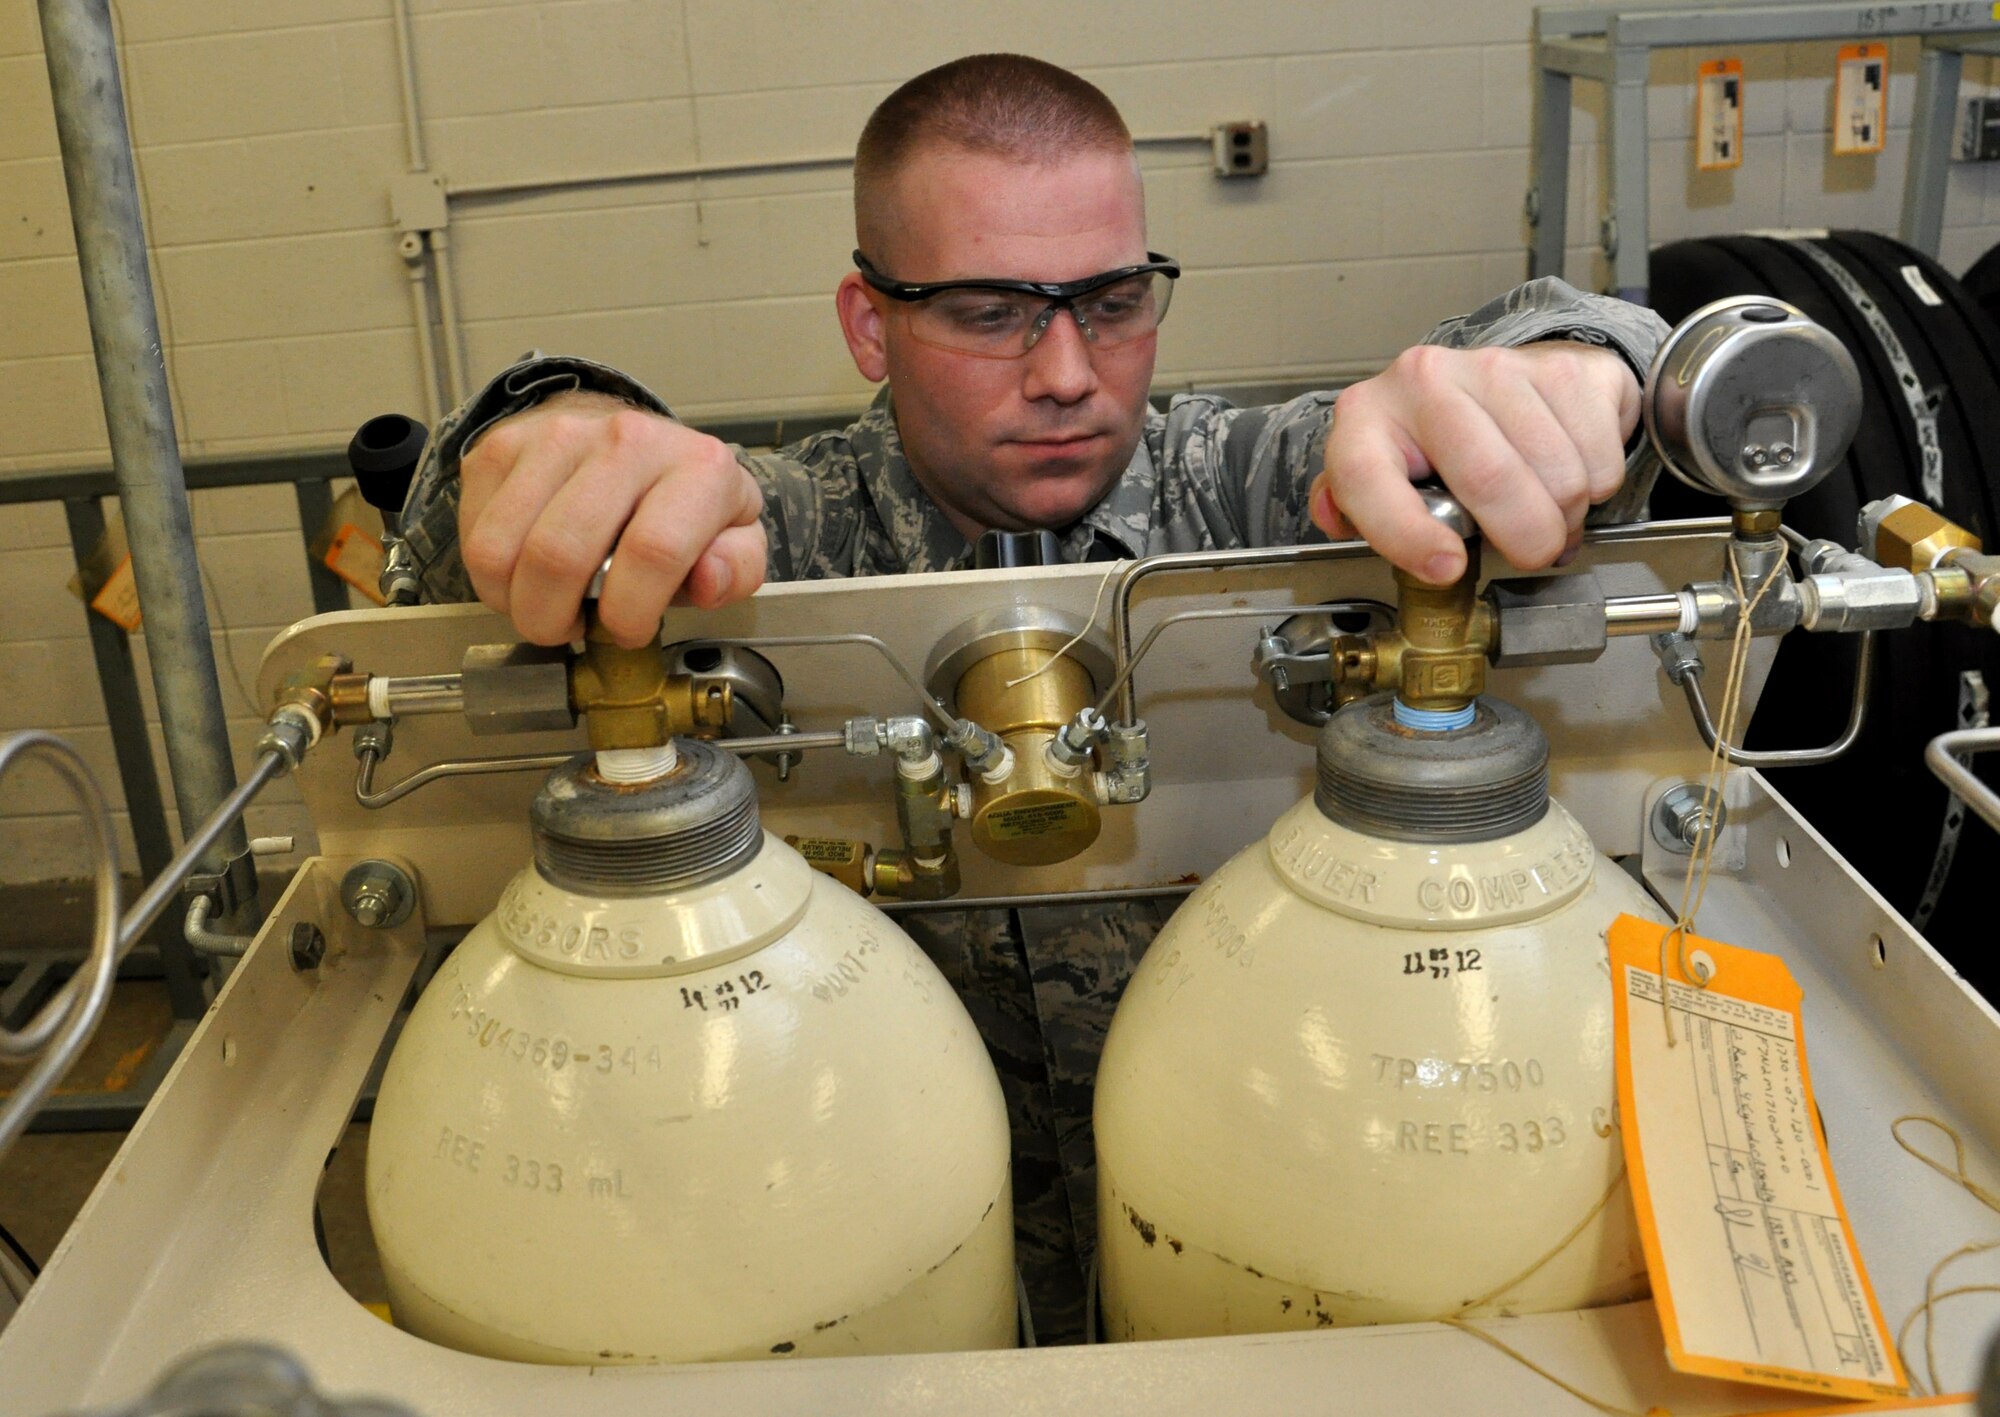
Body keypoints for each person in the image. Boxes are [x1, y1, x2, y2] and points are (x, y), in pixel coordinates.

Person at [390, 54, 1668, 1343]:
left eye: (1112, 302)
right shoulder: (771, 543)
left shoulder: (1260, 498)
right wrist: (550, 435)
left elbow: (1569, 377)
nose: (1067, 371)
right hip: (869, 1251)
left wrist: (1565, 372)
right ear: (867, 324)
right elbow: (469, 526)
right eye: (993, 313)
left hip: (1261, 1227)